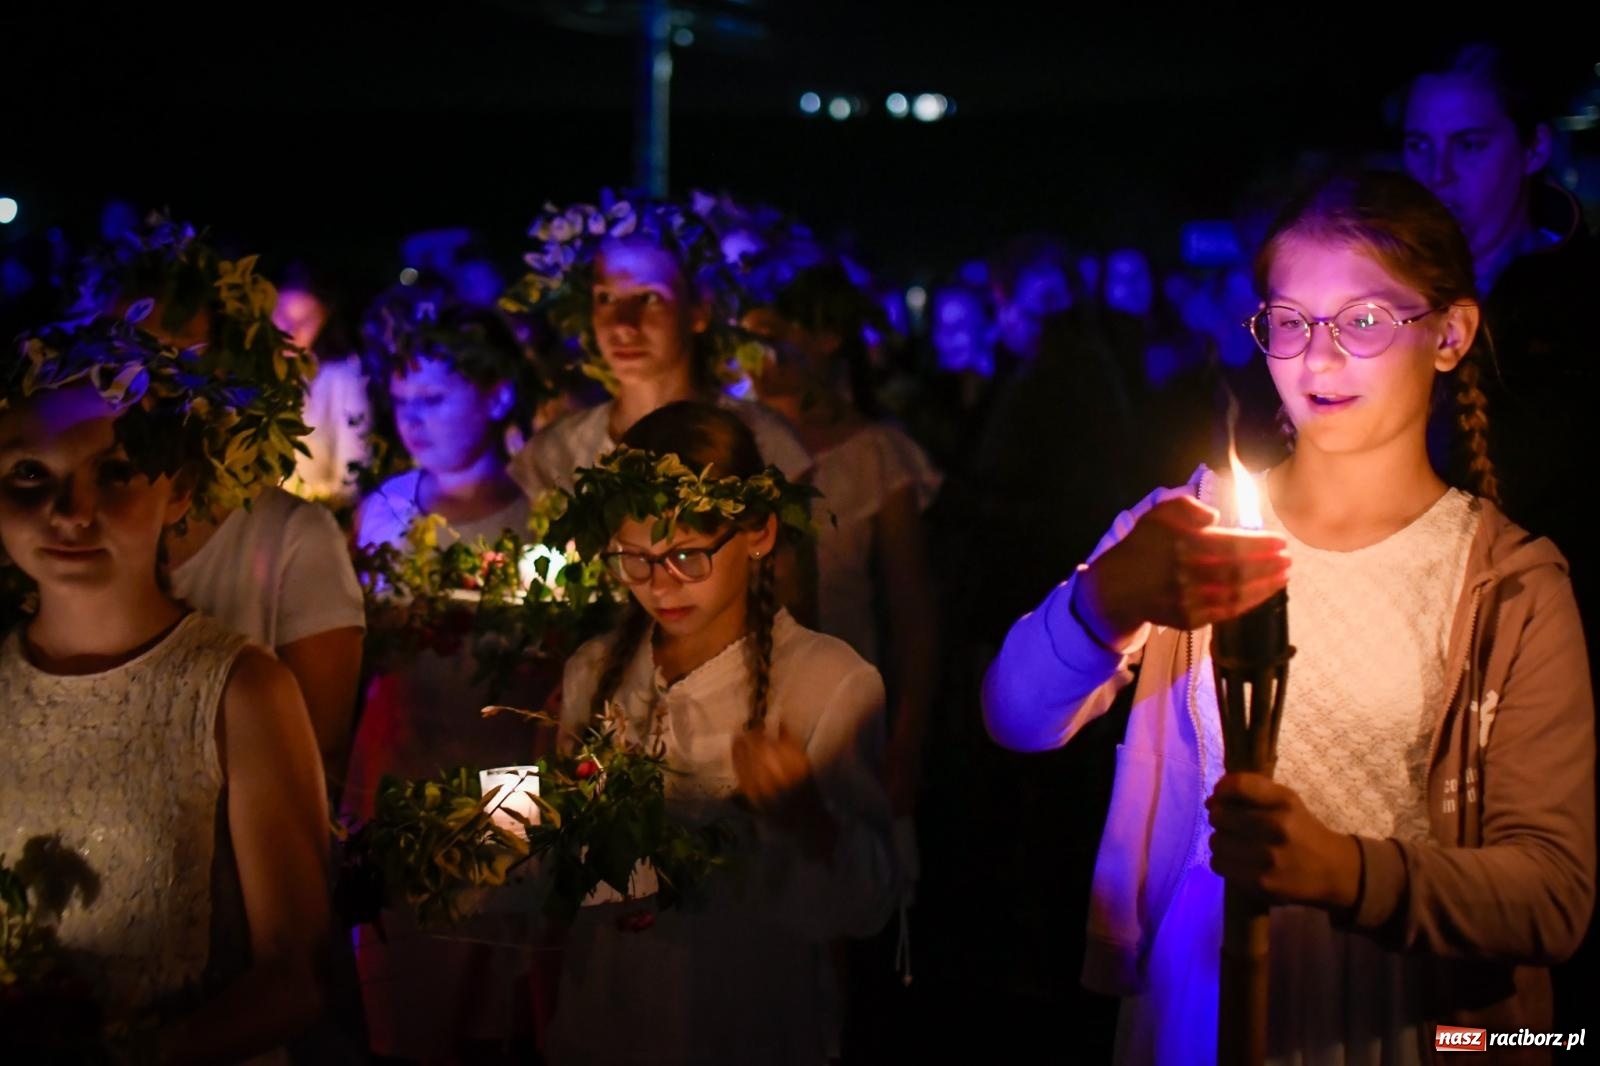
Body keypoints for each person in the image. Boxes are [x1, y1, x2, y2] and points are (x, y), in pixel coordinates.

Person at [983, 172, 1594, 1064]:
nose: (1318, 359)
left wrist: (1342, 871)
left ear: (1450, 334)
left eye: (1364, 321)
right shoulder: (1195, 532)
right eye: (1291, 321)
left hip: (1417, 1011)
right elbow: (1014, 717)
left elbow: (1555, 894)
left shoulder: (1508, 586)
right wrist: (1107, 600)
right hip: (1202, 985)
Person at [0, 315, 331, 1062]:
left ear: (178, 490)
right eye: (29, 474)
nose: (71, 511)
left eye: (114, 472)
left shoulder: (239, 692)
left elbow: (296, 975)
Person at [545, 401, 895, 1066]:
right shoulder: (593, 672)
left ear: (758, 531)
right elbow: (568, 884)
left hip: (749, 1027)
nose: (659, 584)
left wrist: (807, 819)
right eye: (635, 559)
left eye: (685, 556)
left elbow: (869, 905)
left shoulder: (828, 681)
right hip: (602, 1028)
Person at [70, 214, 367, 791]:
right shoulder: (59, 525)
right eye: (124, 350)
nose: (141, 381)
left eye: (177, 358)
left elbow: (315, 758)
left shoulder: (290, 539)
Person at [344, 300, 546, 1061]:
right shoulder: (384, 510)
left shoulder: (539, 522)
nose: (413, 418)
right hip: (396, 771)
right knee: (400, 990)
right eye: (402, 400)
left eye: (434, 398)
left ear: (496, 397)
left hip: (502, 782)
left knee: (489, 990)